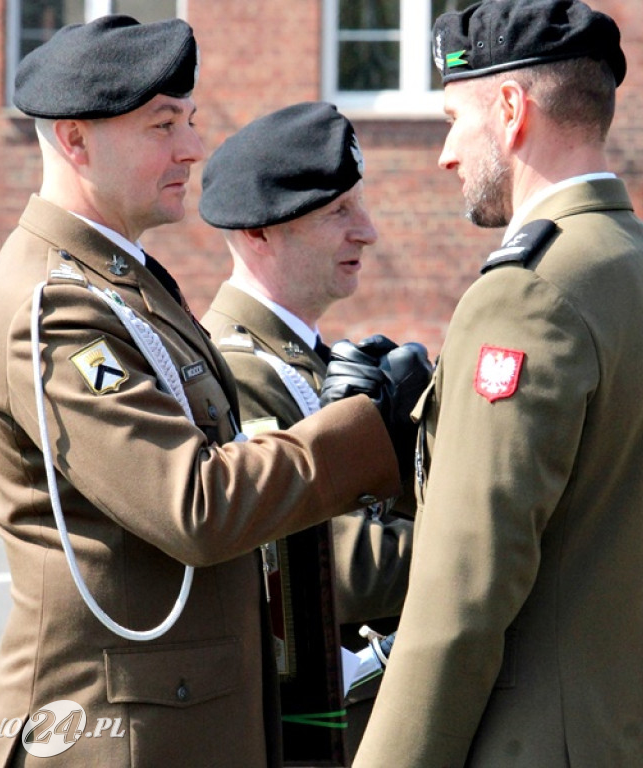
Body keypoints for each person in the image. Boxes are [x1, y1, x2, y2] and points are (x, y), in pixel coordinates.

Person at [0, 16, 425, 767]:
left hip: (177, 723)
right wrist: (366, 432)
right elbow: (194, 505)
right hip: (109, 735)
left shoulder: (122, 285)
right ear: (75, 141)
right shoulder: (54, 308)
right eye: (161, 125)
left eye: (190, 121)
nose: (192, 147)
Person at [332, 0, 643, 764]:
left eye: (452, 117)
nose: (446, 152)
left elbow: (463, 591)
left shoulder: (529, 292)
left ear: (510, 109)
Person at [198, 102, 413, 762]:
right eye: (338, 213)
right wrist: (478, 546)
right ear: (263, 232)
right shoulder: (239, 370)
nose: (367, 231)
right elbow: (312, 566)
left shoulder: (305, 361)